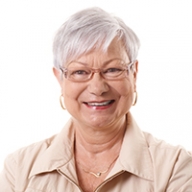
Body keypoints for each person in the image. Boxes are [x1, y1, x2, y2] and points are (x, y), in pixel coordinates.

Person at [0, 7, 192, 192]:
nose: (97, 88)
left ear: (134, 74)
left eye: (113, 70)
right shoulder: (19, 169)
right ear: (59, 79)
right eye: (80, 72)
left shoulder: (175, 167)